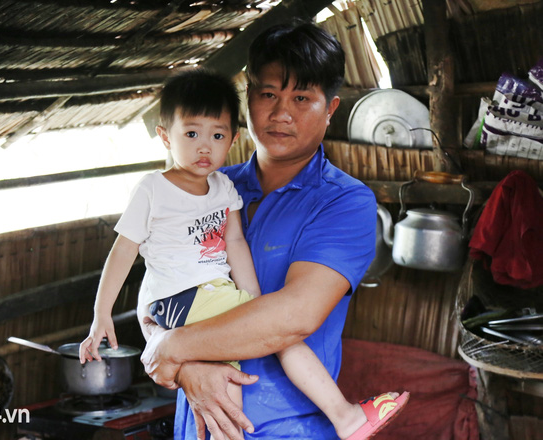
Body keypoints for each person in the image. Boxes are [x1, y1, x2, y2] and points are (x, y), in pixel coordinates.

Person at [79, 67, 408, 440]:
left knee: (262, 351)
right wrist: (104, 314)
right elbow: (131, 258)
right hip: (184, 304)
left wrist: (249, 300)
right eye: (192, 134)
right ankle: (346, 417)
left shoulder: (234, 188)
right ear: (165, 136)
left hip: (287, 421)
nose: (205, 147)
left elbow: (237, 245)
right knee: (269, 347)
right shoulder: (154, 189)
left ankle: (340, 418)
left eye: (217, 135)